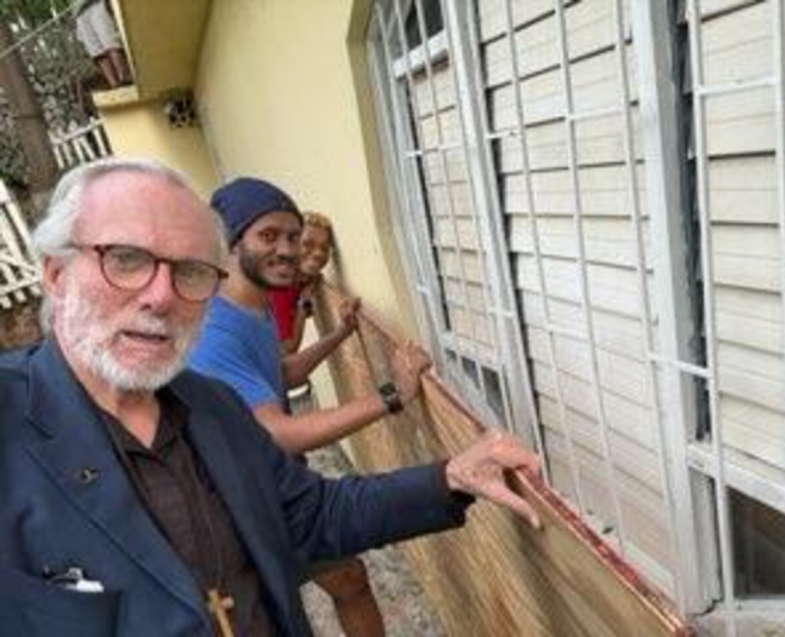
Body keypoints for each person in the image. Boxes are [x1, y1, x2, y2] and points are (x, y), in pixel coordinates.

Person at [0, 157, 541, 636]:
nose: (161, 296)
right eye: (126, 259)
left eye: (190, 270)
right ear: (56, 274)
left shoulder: (212, 407)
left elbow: (311, 514)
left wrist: (449, 476)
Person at [189, 180, 403, 635]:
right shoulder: (214, 331)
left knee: (348, 579)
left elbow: (281, 374)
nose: (288, 249)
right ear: (229, 243)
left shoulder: (254, 304)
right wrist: (391, 395)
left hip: (273, 483)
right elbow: (277, 433)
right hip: (241, 505)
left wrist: (340, 335)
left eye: (293, 236)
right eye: (269, 236)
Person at [269, 211, 333, 355]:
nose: (318, 253)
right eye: (307, 244)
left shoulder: (301, 277)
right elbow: (288, 349)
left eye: (324, 248)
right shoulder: (279, 286)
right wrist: (304, 303)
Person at [74, 0, 131, 89]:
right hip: (78, 12)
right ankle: (114, 84)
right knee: (96, 51)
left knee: (110, 42)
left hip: (96, 3)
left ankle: (124, 79)